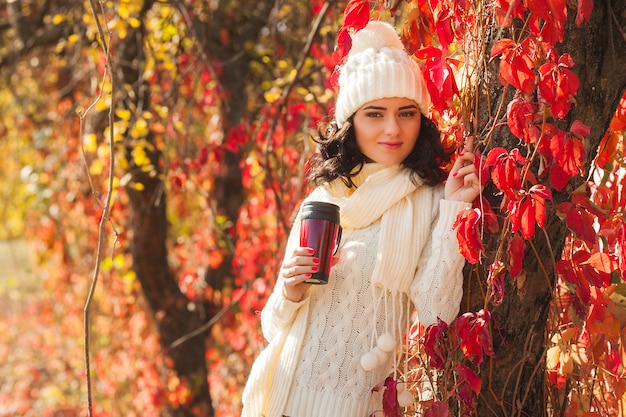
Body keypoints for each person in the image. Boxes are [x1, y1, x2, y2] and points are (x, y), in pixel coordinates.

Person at [241, 20, 481, 417]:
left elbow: (437, 309)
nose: (392, 129)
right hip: (276, 397)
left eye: (406, 113)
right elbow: (272, 326)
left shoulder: (432, 199)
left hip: (350, 406)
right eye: (374, 114)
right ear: (351, 122)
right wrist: (289, 290)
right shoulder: (323, 199)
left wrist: (456, 210)